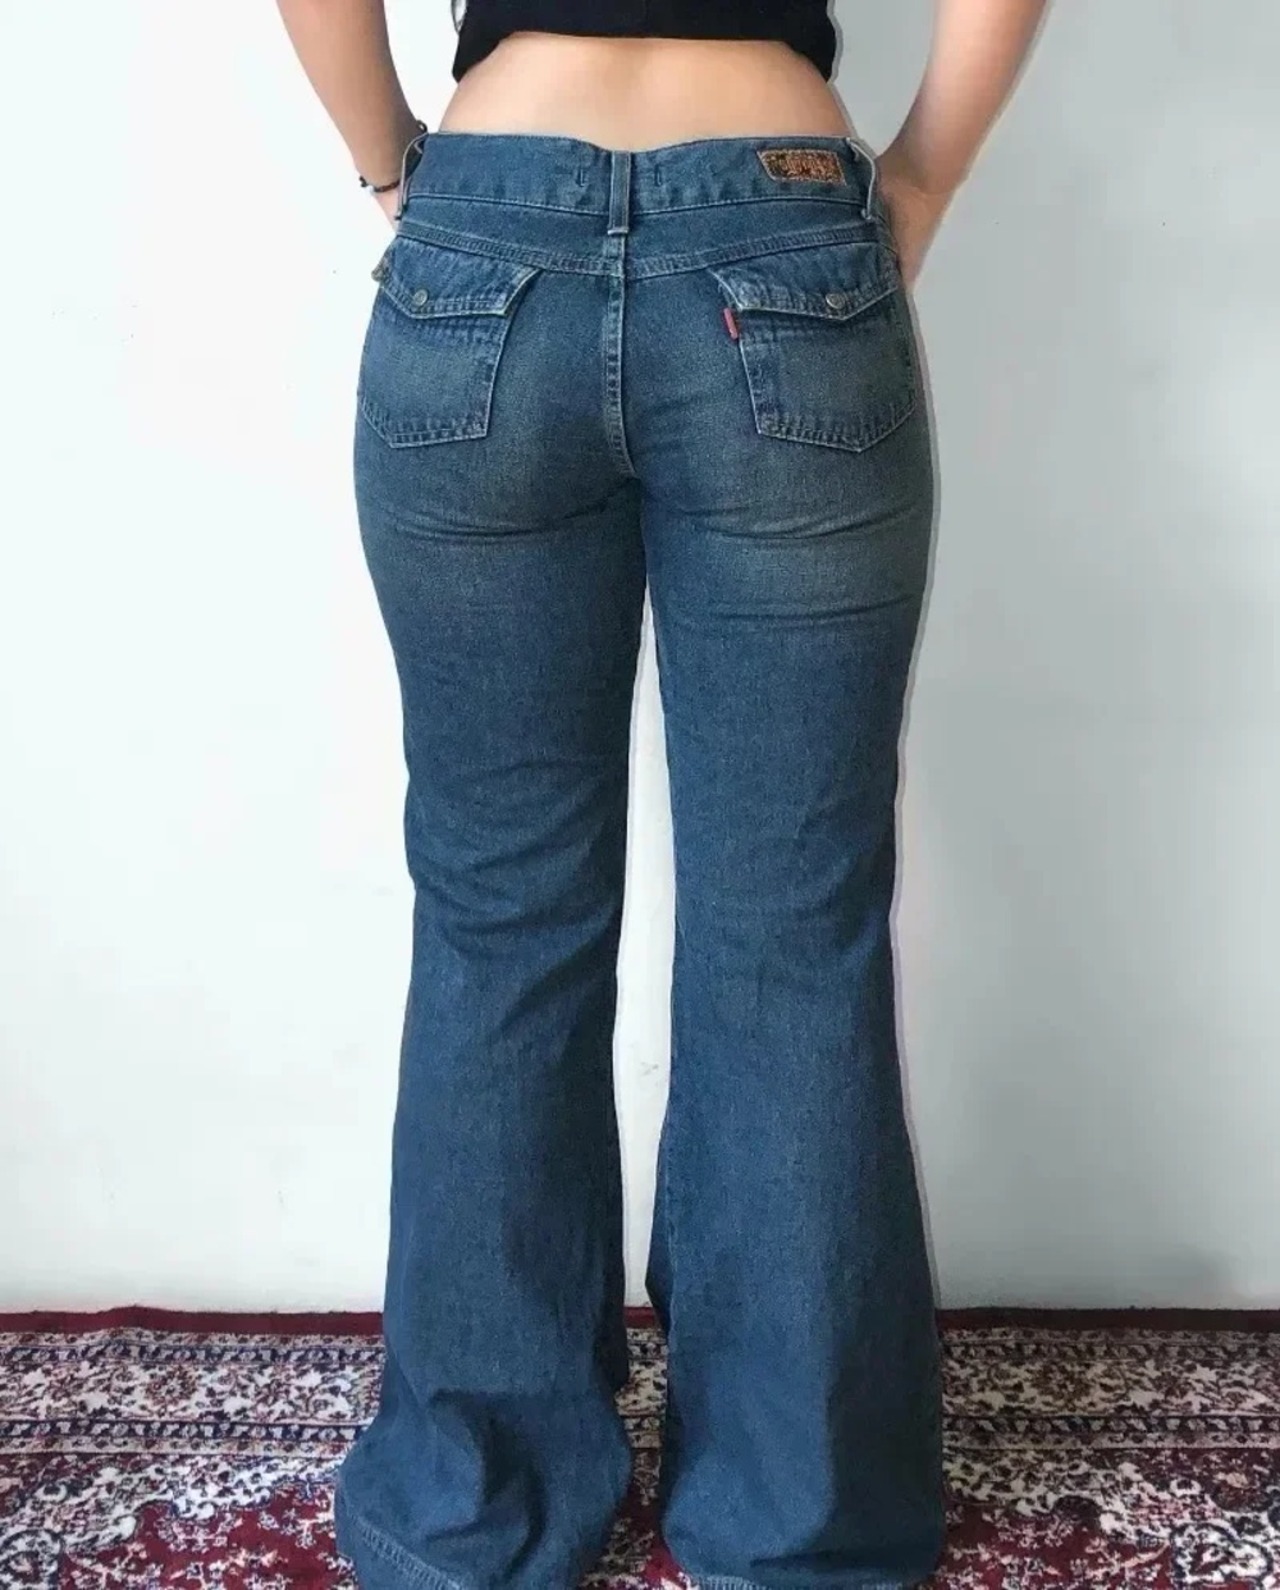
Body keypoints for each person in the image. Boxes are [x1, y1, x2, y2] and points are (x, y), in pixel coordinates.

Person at [273, 3, 1049, 1588]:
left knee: (500, 916)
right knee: (790, 927)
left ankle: (473, 1515)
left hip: (485, 231)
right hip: (781, 223)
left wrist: (393, 169)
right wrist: (919, 179)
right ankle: (798, 1521)